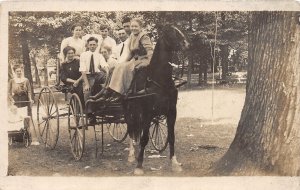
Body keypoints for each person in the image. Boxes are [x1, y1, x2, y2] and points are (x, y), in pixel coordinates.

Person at [97, 18, 154, 103]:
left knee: (125, 67)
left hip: (144, 59)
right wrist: (124, 62)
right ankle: (112, 91)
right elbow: (131, 53)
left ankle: (121, 92)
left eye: (136, 26)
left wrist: (150, 61)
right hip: (136, 59)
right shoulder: (132, 36)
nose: (133, 28)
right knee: (120, 66)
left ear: (141, 27)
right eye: (132, 26)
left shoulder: (143, 36)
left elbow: (149, 50)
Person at [8, 64, 39, 145]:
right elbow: (8, 93)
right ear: (14, 72)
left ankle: (29, 136)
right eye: (17, 71)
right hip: (16, 100)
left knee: (27, 116)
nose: (19, 72)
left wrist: (30, 99)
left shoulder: (26, 80)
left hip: (25, 99)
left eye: (20, 71)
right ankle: (18, 137)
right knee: (17, 117)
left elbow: (29, 91)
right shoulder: (12, 80)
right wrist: (12, 100)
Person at [80, 37, 109, 123]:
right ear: (88, 45)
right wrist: (86, 84)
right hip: (88, 76)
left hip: (97, 75)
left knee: (107, 82)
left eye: (94, 45)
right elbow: (83, 70)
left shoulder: (99, 55)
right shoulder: (83, 55)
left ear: (97, 45)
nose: (92, 46)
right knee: (87, 91)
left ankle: (105, 105)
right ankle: (90, 114)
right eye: (90, 45)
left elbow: (104, 64)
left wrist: (107, 70)